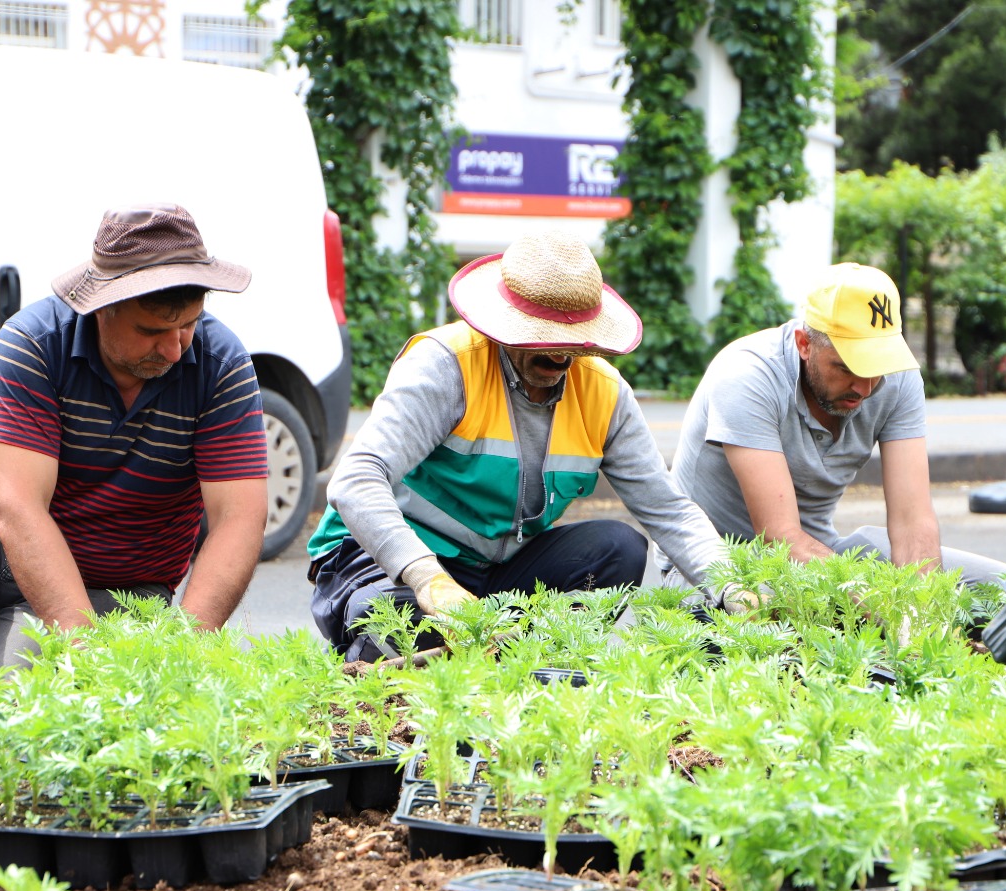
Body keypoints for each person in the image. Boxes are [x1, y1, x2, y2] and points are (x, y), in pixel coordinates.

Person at [0, 203, 268, 681]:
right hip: (0, 556)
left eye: (187, 325)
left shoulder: (221, 364)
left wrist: (185, 653)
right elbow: (17, 508)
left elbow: (238, 517)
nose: (174, 348)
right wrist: (76, 646)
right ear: (102, 308)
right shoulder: (34, 343)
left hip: (115, 589)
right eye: (152, 331)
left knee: (7, 704)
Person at [308, 230, 744, 662]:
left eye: (572, 340)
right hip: (390, 559)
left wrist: (732, 586)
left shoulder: (605, 394)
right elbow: (356, 479)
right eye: (543, 335)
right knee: (391, 617)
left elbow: (668, 509)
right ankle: (404, 670)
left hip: (494, 570)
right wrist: (427, 578)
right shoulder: (447, 365)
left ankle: (527, 670)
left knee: (619, 549)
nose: (560, 353)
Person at [664, 261, 1006, 585]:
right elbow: (779, 539)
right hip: (713, 566)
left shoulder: (899, 377)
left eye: (876, 366)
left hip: (822, 555)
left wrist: (924, 615)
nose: (864, 387)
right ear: (805, 344)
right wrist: (882, 611)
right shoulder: (747, 375)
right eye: (846, 367)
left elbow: (913, 524)